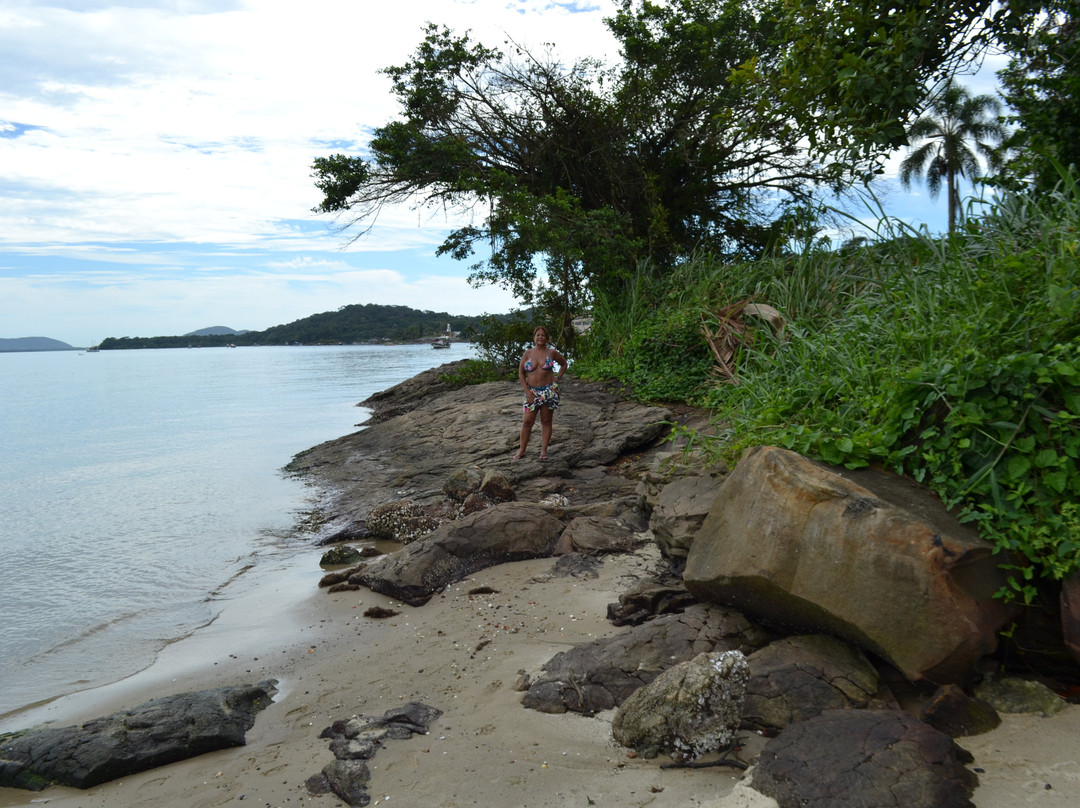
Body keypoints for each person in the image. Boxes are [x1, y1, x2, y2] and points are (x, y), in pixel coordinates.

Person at [512, 326, 567, 461]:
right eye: (538, 335)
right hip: (532, 391)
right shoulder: (527, 354)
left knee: (546, 421)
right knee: (527, 422)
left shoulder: (552, 353)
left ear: (546, 338)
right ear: (534, 337)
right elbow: (521, 373)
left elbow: (564, 364)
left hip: (548, 391)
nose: (540, 337)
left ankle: (543, 450)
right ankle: (522, 450)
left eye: (543, 335)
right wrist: (527, 392)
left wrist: (558, 377)